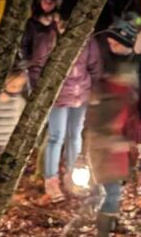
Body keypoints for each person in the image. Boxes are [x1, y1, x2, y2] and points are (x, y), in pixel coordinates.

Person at [86, 18, 141, 237]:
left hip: (117, 151)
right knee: (110, 192)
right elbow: (97, 125)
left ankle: (110, 222)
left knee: (115, 189)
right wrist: (113, 141)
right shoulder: (107, 93)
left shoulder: (123, 93)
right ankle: (102, 234)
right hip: (107, 151)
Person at [42, 26, 102, 204]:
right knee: (56, 137)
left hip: (81, 94)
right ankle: (51, 180)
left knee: (75, 136)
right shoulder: (50, 38)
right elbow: (40, 64)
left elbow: (95, 65)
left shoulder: (88, 39)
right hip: (58, 96)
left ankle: (72, 176)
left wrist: (94, 89)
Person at [0, 63, 29, 182]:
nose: (16, 89)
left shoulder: (20, 101)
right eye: (13, 85)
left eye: (19, 86)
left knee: (7, 169)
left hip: (9, 141)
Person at [21, 0, 61, 88]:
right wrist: (29, 60)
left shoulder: (57, 22)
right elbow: (24, 43)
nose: (48, 4)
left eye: (51, 2)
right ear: (40, 2)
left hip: (54, 67)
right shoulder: (32, 23)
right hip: (35, 69)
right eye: (45, 1)